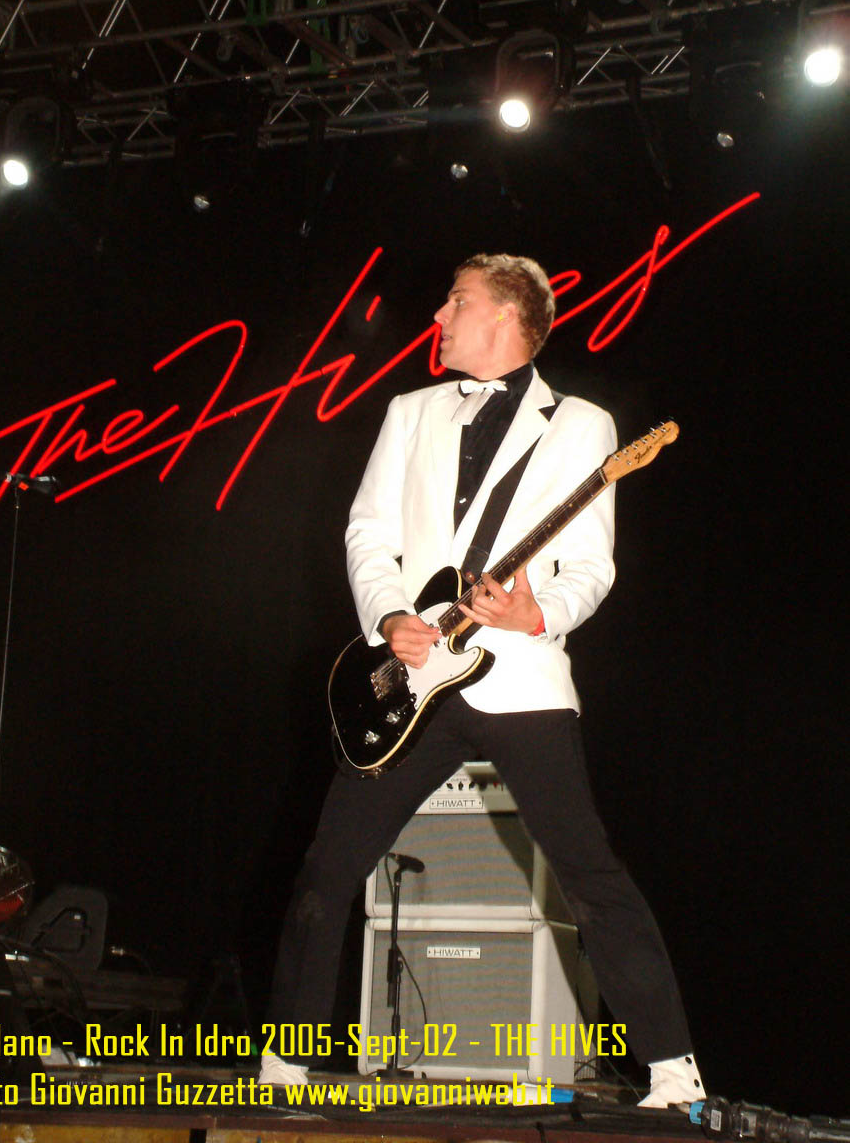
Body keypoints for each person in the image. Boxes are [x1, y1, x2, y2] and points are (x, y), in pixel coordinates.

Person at [261, 254, 705, 1109]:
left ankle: (671, 1070)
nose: (437, 314)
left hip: (519, 679)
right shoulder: (409, 411)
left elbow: (591, 566)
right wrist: (389, 617)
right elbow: (367, 532)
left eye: (455, 300)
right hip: (411, 676)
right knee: (328, 866)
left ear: (506, 314)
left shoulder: (583, 424)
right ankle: (285, 1061)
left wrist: (538, 615)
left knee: (587, 869)